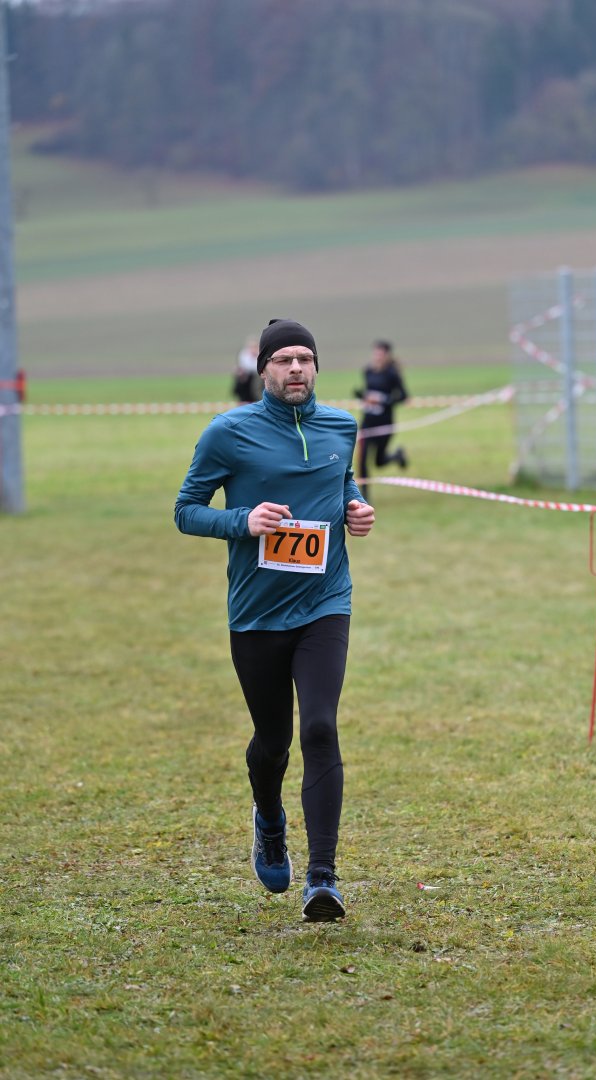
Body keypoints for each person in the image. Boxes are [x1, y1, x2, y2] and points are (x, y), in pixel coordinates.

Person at [175, 318, 375, 922]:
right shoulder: (228, 432)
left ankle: (323, 878)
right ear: (263, 368)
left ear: (316, 367)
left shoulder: (341, 425)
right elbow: (186, 510)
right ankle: (268, 820)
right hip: (258, 613)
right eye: (283, 359)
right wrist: (244, 521)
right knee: (273, 742)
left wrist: (356, 507)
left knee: (320, 728)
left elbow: (342, 482)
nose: (295, 368)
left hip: (325, 602)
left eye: (304, 359)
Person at [355, 340, 410, 499]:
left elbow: (404, 396)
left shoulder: (392, 373)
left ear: (387, 355)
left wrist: (384, 401)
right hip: (367, 422)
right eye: (376, 352)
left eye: (381, 353)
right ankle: (364, 497)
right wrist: (361, 395)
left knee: (379, 461)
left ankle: (397, 456)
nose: (377, 356)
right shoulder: (368, 371)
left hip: (385, 423)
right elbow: (368, 392)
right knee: (362, 460)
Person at [232, 336, 260, 403]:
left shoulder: (260, 353)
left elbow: (256, 367)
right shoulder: (244, 354)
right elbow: (243, 365)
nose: (253, 349)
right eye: (251, 347)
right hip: (246, 378)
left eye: (255, 347)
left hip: (257, 377)